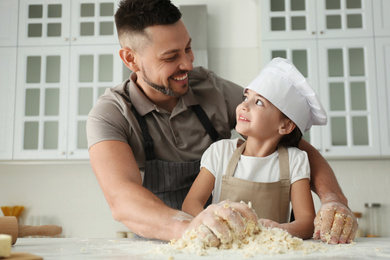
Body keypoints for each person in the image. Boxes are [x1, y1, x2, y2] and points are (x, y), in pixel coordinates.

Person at [87, 0, 357, 245]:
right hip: (162, 245)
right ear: (130, 59)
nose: (188, 64)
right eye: (171, 57)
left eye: (188, 49)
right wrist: (191, 226)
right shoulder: (110, 114)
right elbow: (122, 198)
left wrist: (334, 199)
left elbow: (292, 141)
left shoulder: (212, 90)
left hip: (229, 245)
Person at [183, 57, 327, 239]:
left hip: (272, 251)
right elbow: (191, 203)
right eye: (245, 97)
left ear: (286, 125)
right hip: (225, 249)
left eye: (258, 102)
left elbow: (306, 223)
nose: (244, 105)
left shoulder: (294, 160)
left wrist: (278, 229)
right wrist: (214, 219)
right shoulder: (220, 152)